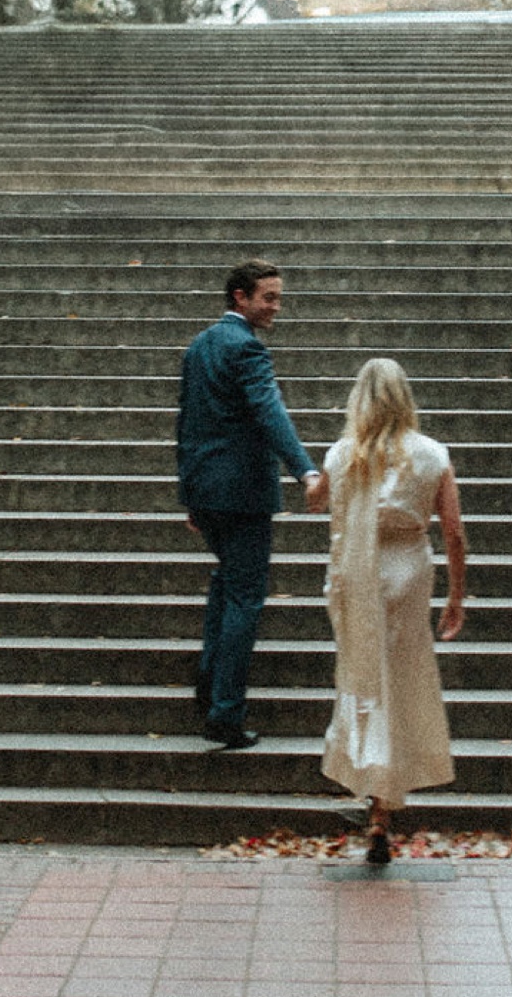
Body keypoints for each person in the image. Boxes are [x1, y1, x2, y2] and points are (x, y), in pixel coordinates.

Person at [307, 357, 466, 863]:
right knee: (403, 677)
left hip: (358, 574)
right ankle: (385, 806)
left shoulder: (342, 453)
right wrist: (457, 595)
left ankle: (373, 793)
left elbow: (317, 503)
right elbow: (454, 532)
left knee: (363, 678)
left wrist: (311, 478)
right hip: (407, 572)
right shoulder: (431, 453)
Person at [176, 258, 321, 749]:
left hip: (208, 491)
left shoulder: (199, 347)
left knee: (226, 588)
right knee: (243, 597)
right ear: (240, 296)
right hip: (243, 496)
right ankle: (225, 712)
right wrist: (306, 470)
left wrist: (190, 493)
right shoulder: (248, 352)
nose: (276, 306)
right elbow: (270, 412)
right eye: (269, 297)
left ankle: (208, 687)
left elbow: (187, 425)